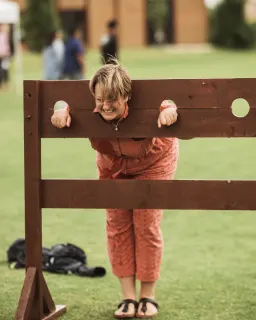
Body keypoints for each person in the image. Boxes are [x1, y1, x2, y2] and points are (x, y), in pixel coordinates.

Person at [51, 60, 179, 319]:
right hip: (113, 164)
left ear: (127, 96)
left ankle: (148, 296)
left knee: (146, 224)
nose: (105, 106)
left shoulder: (147, 103)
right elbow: (64, 102)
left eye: (113, 100)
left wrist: (170, 111)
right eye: (100, 99)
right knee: (117, 225)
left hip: (154, 162)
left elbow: (173, 103)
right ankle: (128, 298)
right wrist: (61, 108)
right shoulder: (92, 105)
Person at [0, 24, 10, 89]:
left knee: (5, 69)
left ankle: (6, 83)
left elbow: (6, 45)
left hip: (5, 55)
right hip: (1, 55)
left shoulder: (5, 35)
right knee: (1, 70)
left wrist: (7, 52)